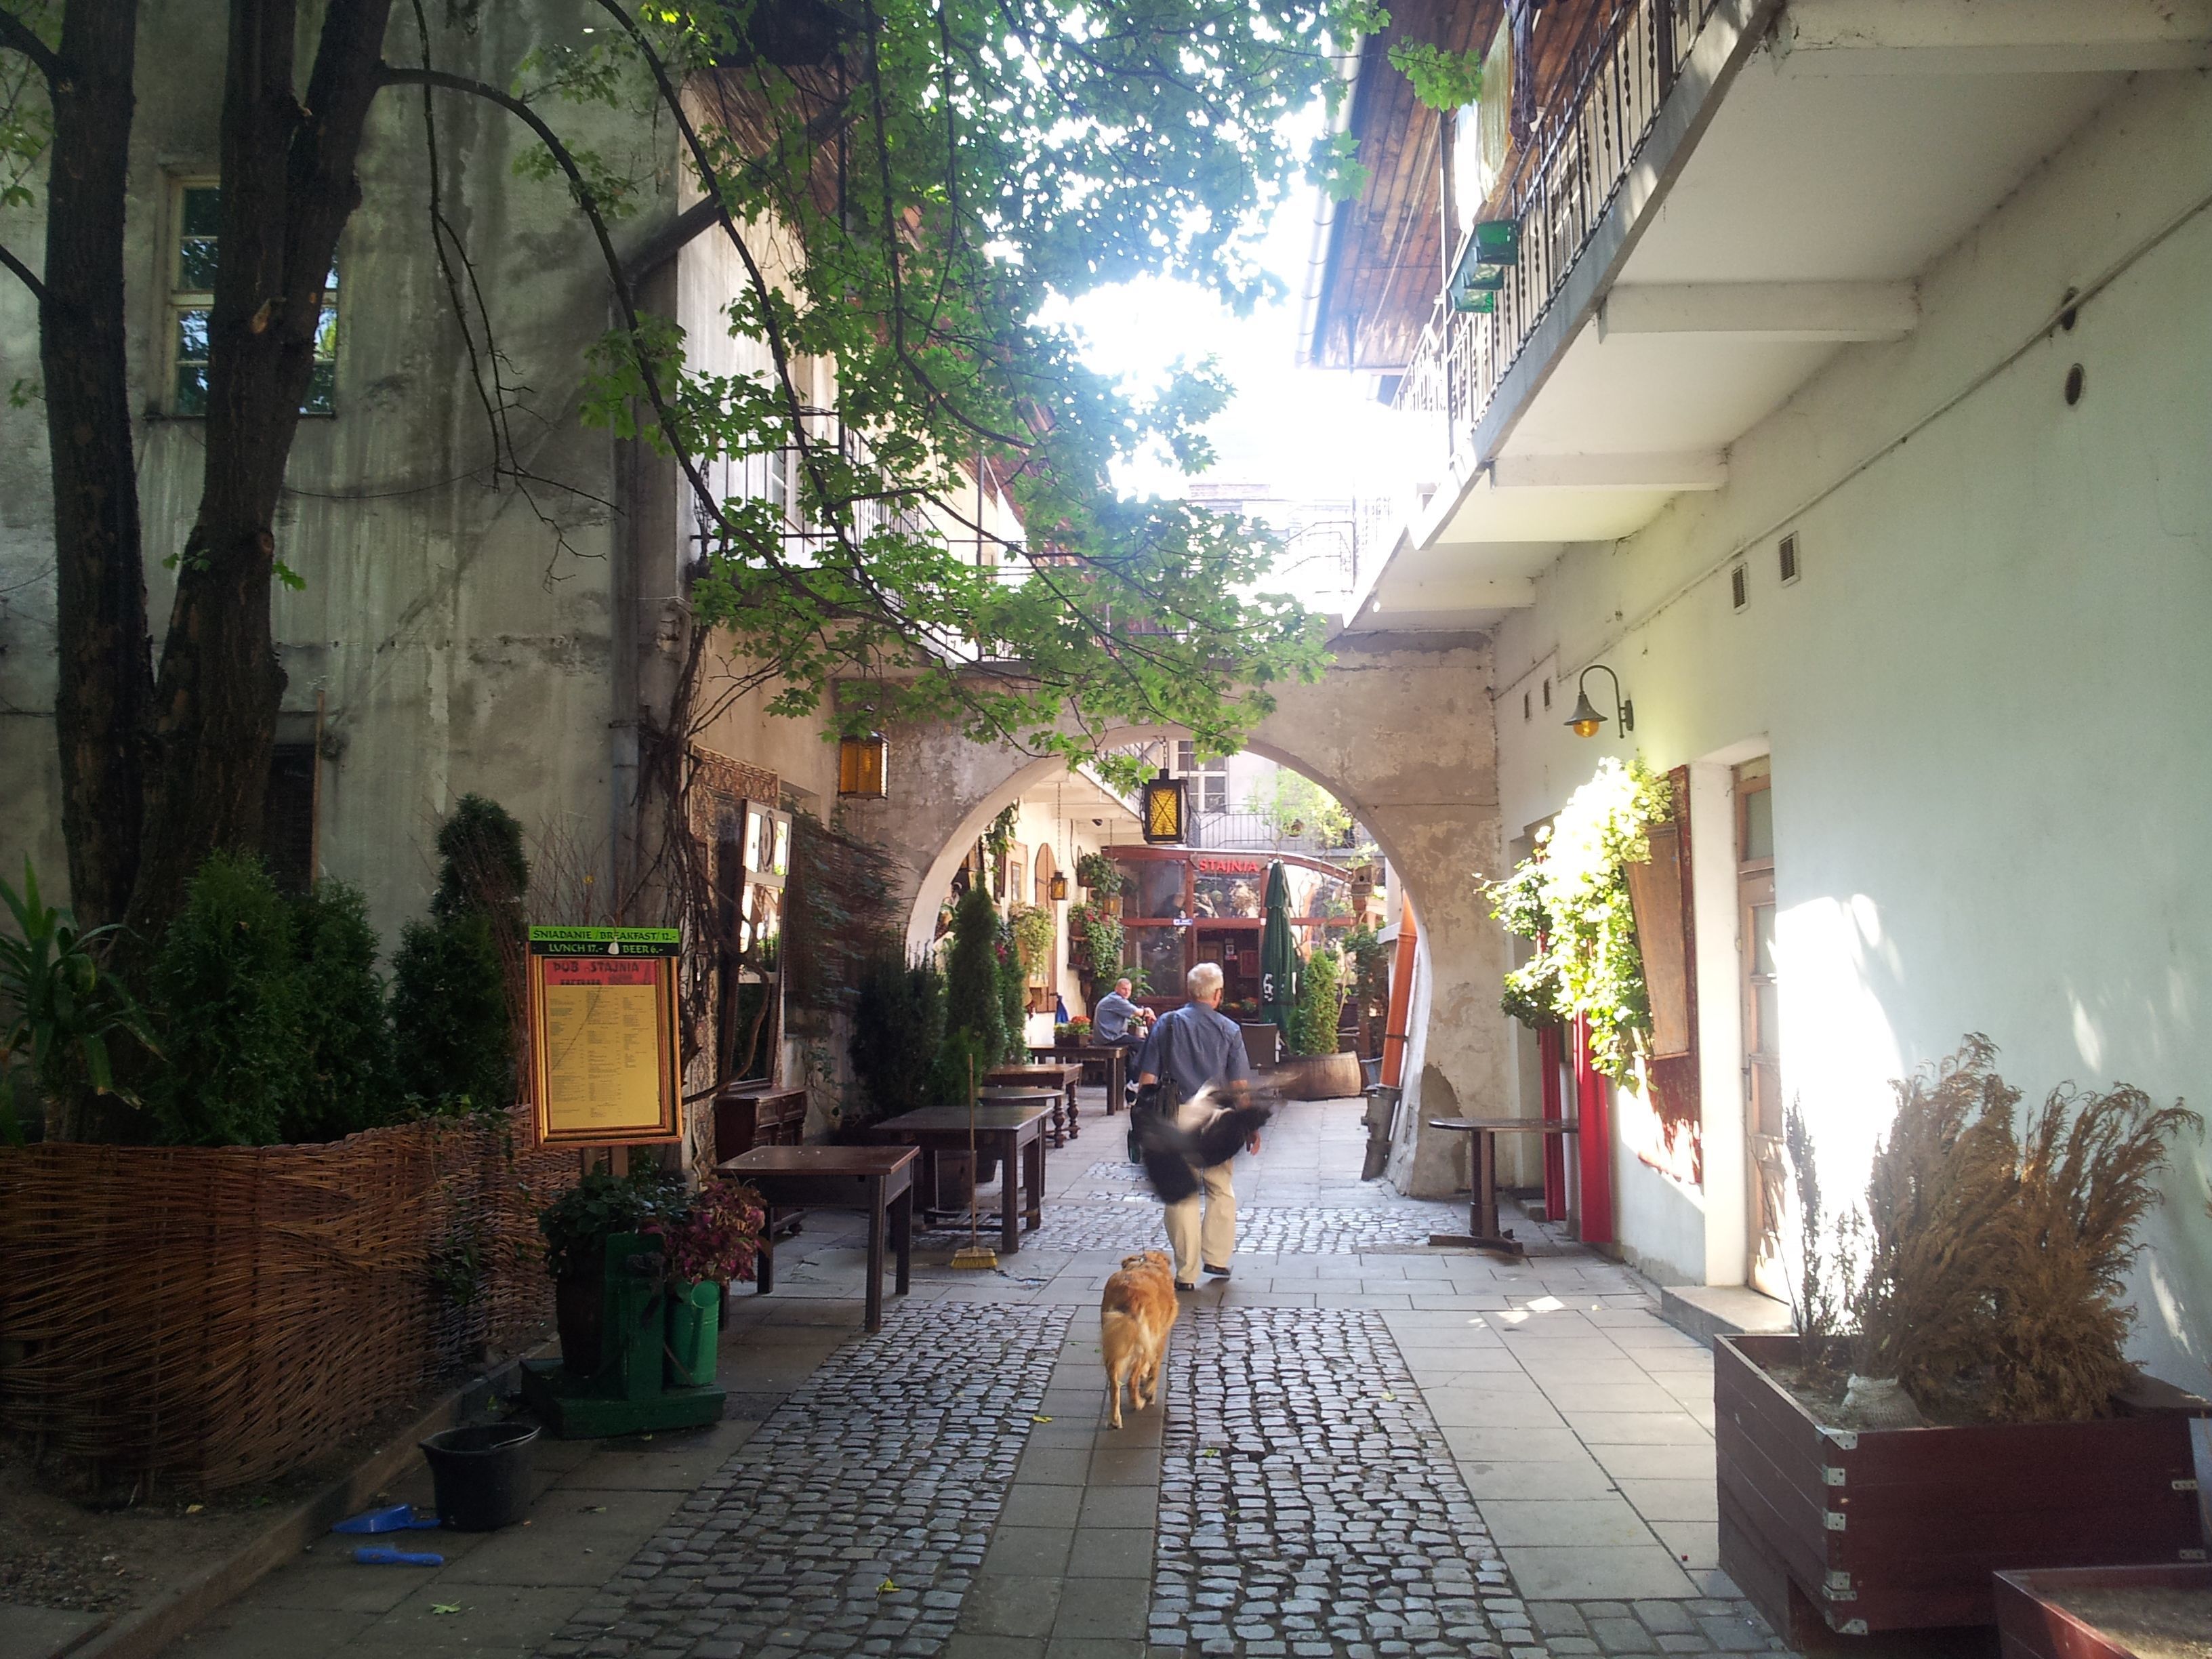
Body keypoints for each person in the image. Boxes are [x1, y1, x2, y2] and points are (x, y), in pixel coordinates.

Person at [1133, 962, 1257, 1291]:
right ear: (1218, 995)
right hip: (1217, 1118)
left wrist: (1143, 1118)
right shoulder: (1229, 1030)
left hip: (1175, 1114)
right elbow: (1239, 1084)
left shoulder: (1167, 1024)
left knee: (1180, 1191)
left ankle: (1186, 1273)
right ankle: (1216, 1257)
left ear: (1190, 992)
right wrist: (1249, 1124)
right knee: (1220, 1186)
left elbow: (1148, 1078)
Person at [1091, 978, 1148, 1051]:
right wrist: (1147, 1011)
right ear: (1116, 989)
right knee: (1144, 1045)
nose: (1127, 992)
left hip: (1106, 1037)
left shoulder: (1113, 998)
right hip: (1109, 1038)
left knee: (1134, 1045)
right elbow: (1138, 1012)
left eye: (1129, 990)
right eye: (1124, 989)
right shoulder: (1116, 1000)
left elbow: (1132, 1015)